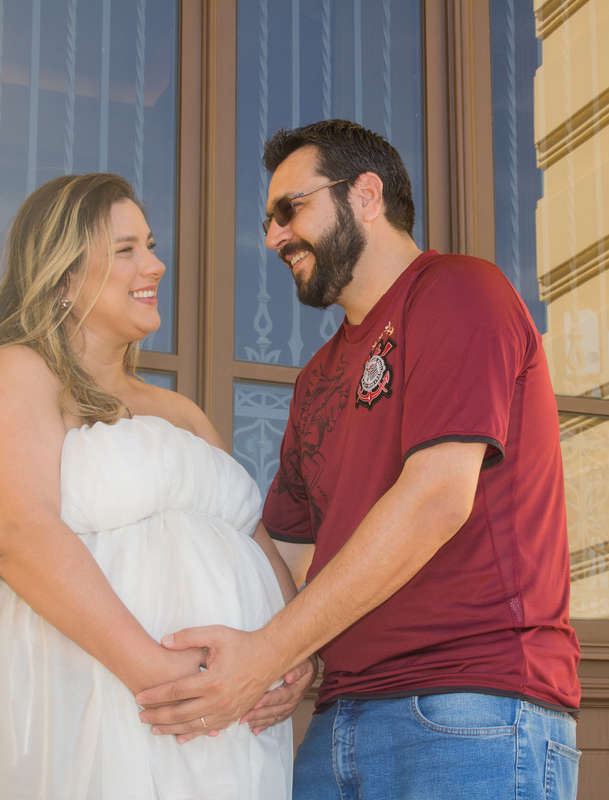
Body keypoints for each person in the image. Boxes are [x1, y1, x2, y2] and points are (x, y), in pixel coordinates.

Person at [138, 120, 582, 799]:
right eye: (269, 221)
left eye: (290, 209)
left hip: (471, 709)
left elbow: (436, 499)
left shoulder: (461, 291)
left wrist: (268, 653)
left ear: (366, 195)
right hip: (338, 721)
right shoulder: (317, 376)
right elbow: (288, 556)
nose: (274, 237)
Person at [0, 173, 308, 799]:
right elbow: (14, 528)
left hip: (224, 717)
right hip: (101, 696)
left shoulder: (180, 412)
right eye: (126, 250)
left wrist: (288, 654)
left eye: (149, 245)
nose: (155, 265)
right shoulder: (17, 373)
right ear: (63, 276)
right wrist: (157, 673)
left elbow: (253, 539)